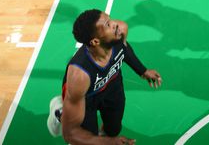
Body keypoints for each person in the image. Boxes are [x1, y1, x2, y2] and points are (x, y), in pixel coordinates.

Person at [47, 9, 162, 145]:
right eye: (108, 25)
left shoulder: (119, 31)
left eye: (110, 19)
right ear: (95, 41)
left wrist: (142, 71)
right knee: (88, 136)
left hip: (112, 85)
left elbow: (124, 48)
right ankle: (61, 113)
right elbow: (70, 134)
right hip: (86, 97)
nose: (115, 24)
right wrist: (109, 143)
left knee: (113, 130)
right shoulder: (80, 75)